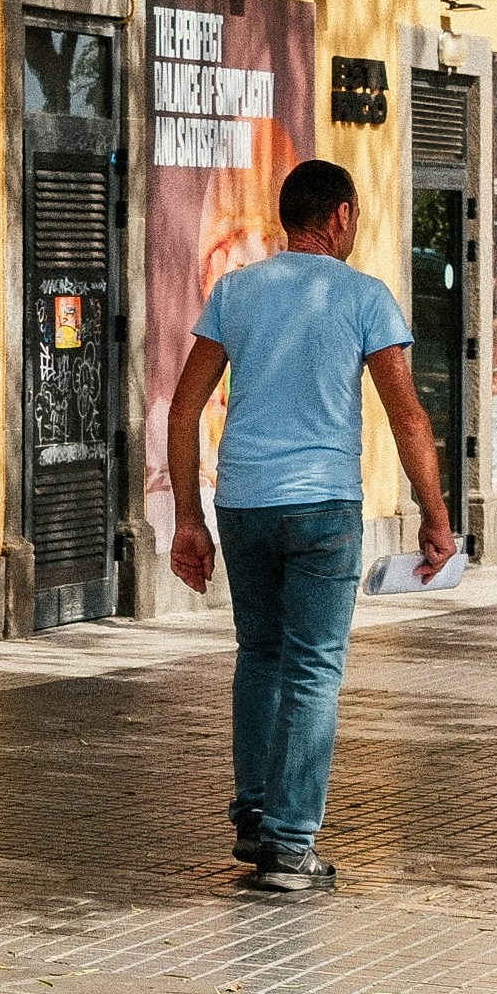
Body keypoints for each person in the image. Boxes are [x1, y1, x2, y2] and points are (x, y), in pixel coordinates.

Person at [163, 159, 456, 893]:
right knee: (314, 665)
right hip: (324, 505)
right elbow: (408, 415)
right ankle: (292, 844)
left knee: (260, 651)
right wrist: (436, 511)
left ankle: (256, 815)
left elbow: (182, 408)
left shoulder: (235, 291)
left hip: (245, 504)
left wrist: (188, 522)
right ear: (343, 217)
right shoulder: (365, 297)